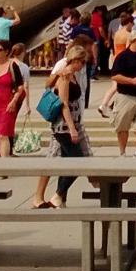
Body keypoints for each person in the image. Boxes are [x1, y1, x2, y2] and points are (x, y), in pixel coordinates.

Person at [42, 42, 92, 209]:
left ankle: (60, 198)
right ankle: (57, 195)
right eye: (82, 62)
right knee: (77, 161)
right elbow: (64, 104)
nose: (83, 65)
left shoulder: (73, 75)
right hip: (64, 127)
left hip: (73, 123)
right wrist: (72, 128)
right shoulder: (64, 77)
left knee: (66, 162)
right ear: (75, 60)